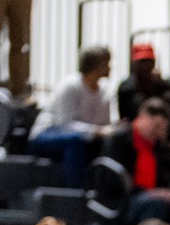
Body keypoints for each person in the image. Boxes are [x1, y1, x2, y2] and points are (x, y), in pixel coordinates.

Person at [31, 46, 112, 187]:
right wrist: (96, 131)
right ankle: (75, 192)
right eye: (106, 63)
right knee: (75, 141)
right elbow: (65, 124)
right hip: (47, 133)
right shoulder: (70, 86)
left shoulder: (104, 91)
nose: (110, 67)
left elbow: (103, 123)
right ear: (95, 65)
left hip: (82, 136)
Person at [115, 40, 170, 121]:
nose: (145, 66)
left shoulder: (169, 88)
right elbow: (124, 118)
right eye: (142, 62)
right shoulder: (127, 89)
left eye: (149, 61)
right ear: (134, 63)